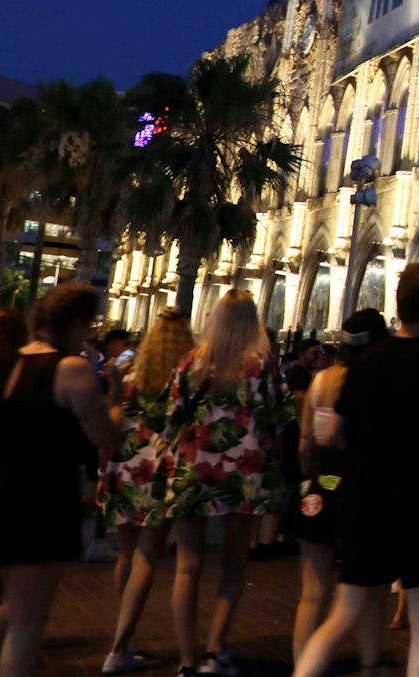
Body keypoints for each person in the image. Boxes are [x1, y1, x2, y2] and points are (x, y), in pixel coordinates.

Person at [292, 264, 419, 677]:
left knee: (344, 612)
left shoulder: (364, 365)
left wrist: (369, 452)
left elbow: (333, 433)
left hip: (367, 500)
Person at [0, 284, 122, 677]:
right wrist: (115, 403)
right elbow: (104, 436)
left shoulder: (4, 365)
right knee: (27, 623)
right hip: (40, 503)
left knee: (12, 611)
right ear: (76, 323)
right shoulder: (70, 369)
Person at [158, 289, 295, 677]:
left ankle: (187, 660)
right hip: (245, 473)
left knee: (188, 568)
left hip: (193, 470)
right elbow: (281, 419)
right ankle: (216, 651)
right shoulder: (262, 365)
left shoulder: (191, 363)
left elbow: (171, 418)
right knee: (234, 566)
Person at [287, 310, 385, 668]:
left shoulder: (320, 381)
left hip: (319, 486)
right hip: (359, 489)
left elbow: (305, 445)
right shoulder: (372, 381)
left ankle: (302, 661)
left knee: (313, 592)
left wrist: (310, 480)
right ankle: (371, 661)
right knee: (371, 587)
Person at [100, 310, 194, 674]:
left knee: (127, 554)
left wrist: (101, 469)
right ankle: (119, 646)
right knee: (148, 556)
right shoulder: (184, 378)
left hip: (124, 465)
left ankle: (128, 634)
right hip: (160, 471)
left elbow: (113, 419)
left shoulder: (131, 377)